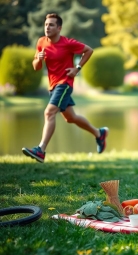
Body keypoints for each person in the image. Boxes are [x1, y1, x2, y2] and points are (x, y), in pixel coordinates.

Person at [22, 13, 108, 163]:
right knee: (70, 118)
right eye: (46, 24)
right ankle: (99, 133)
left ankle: (41, 150)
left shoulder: (68, 43)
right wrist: (38, 59)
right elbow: (36, 67)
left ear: (59, 28)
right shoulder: (41, 42)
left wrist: (77, 68)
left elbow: (89, 50)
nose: (47, 27)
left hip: (64, 84)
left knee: (49, 113)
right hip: (53, 86)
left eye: (51, 25)